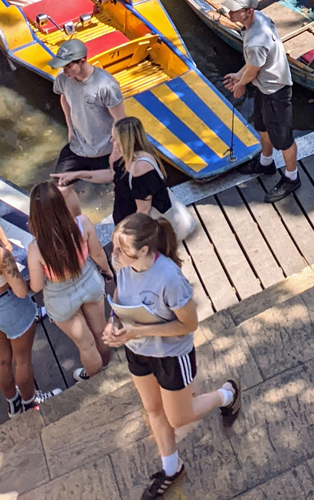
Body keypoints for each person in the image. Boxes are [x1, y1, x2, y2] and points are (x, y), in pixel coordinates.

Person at [103, 212, 241, 499]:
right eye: (114, 246)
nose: (114, 254)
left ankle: (227, 394)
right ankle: (171, 468)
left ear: (143, 251)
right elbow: (120, 296)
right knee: (153, 409)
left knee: (179, 417)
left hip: (171, 356)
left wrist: (139, 330)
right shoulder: (125, 266)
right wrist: (113, 324)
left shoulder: (169, 278)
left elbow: (189, 325)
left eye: (121, 249)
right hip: (137, 351)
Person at [27, 181, 112, 383]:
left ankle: (96, 379)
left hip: (60, 297)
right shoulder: (82, 223)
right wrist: (107, 270)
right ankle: (106, 368)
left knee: (86, 345)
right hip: (89, 282)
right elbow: (98, 253)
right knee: (100, 333)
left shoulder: (36, 247)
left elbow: (37, 286)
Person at [220, 0, 299, 203]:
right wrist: (238, 75)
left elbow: (253, 70)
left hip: (276, 91)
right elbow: (252, 65)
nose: (230, 14)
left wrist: (240, 85)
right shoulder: (258, 20)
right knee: (262, 127)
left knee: (284, 139)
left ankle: (292, 177)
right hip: (265, 87)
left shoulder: (256, 40)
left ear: (249, 11)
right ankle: (266, 163)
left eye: (235, 11)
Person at [0, 207, 60, 413]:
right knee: (22, 359)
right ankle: (30, 402)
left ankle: (13, 404)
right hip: (10, 306)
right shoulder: (0, 255)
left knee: (1, 358)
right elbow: (21, 291)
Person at [50, 37, 125, 197]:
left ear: (83, 61)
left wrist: (117, 150)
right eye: (63, 67)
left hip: (105, 149)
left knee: (122, 187)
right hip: (77, 144)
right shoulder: (63, 79)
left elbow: (120, 120)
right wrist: (70, 127)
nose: (65, 71)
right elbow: (64, 98)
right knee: (58, 187)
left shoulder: (106, 85)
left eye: (69, 66)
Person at [112, 117, 173, 227]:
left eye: (115, 139)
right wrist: (80, 174)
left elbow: (143, 211)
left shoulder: (141, 169)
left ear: (125, 141)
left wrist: (125, 234)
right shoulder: (127, 159)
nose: (112, 142)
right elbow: (113, 176)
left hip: (139, 230)